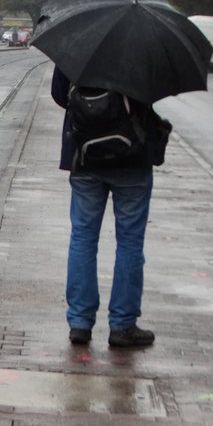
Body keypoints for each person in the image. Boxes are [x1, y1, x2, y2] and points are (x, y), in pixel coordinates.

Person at [52, 67, 162, 349]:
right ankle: (122, 325)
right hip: (132, 158)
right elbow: (152, 92)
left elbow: (59, 94)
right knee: (130, 243)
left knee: (83, 239)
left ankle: (79, 323)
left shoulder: (78, 41)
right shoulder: (140, 44)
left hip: (84, 154)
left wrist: (92, 110)